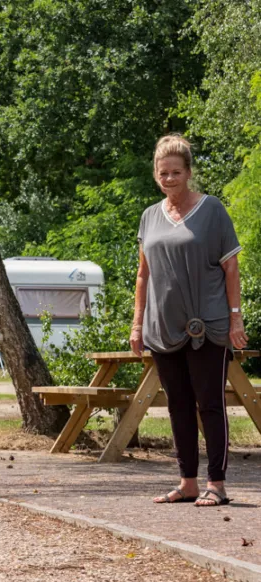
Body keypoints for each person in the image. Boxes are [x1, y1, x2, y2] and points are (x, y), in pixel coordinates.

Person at [130, 135, 248, 507]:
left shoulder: (212, 211)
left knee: (209, 403)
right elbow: (143, 274)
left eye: (176, 172)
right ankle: (187, 482)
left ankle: (218, 484)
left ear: (188, 173)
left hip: (208, 325)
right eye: (163, 173)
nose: (169, 179)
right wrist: (137, 324)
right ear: (155, 174)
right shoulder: (150, 216)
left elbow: (231, 267)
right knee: (177, 403)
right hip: (163, 328)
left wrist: (235, 319)